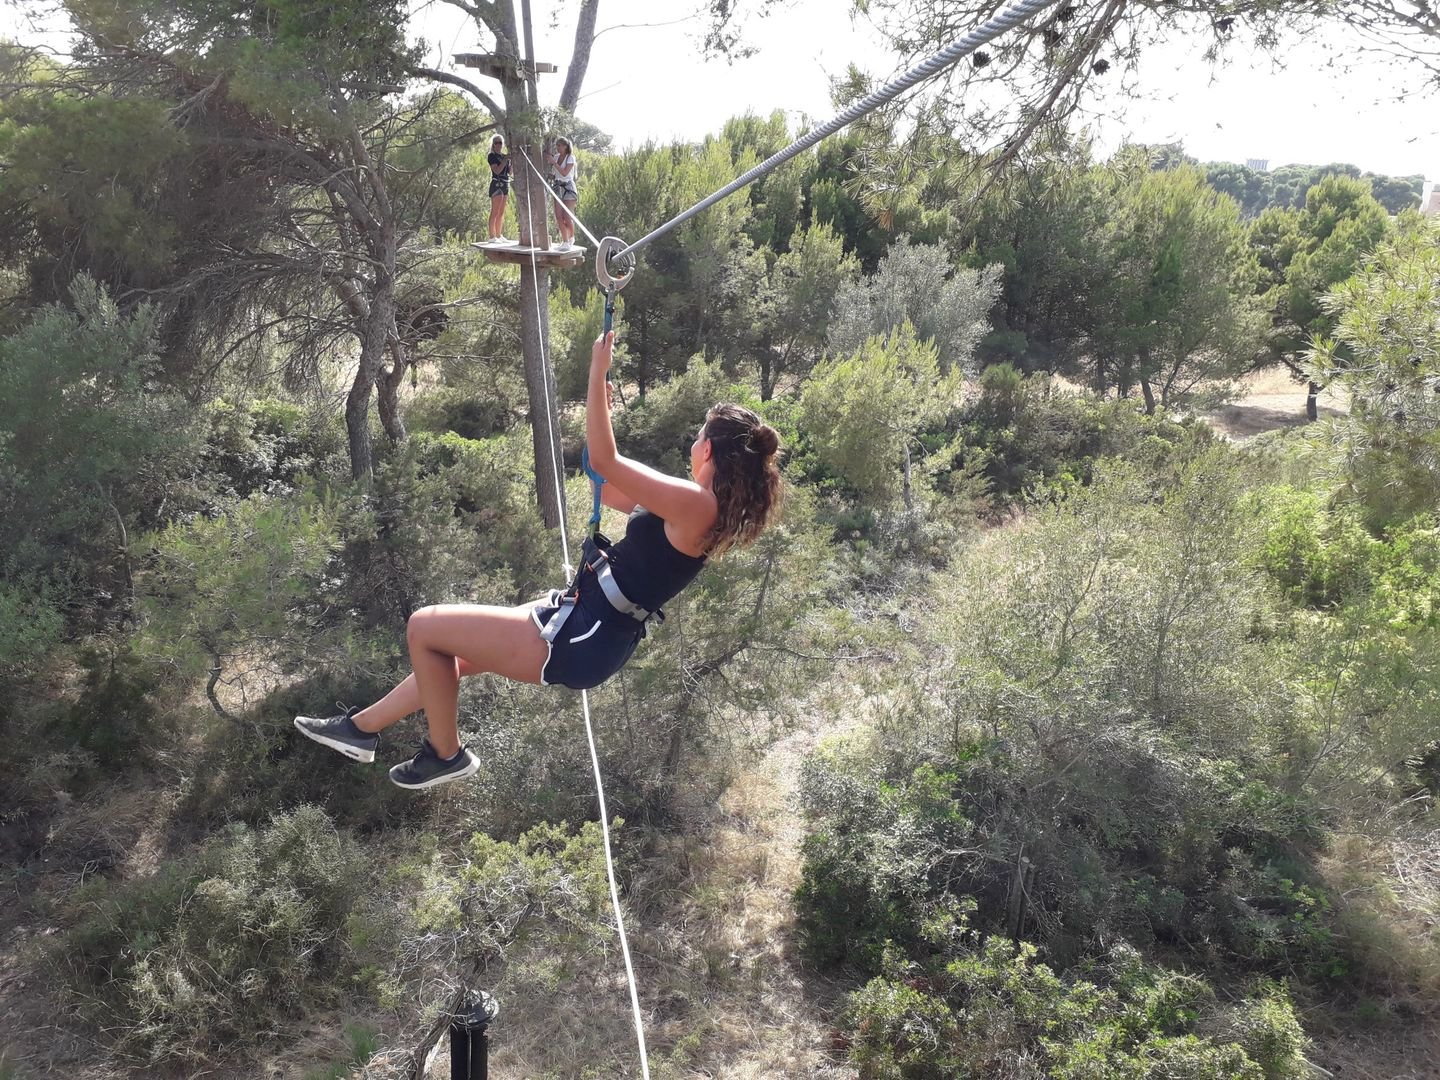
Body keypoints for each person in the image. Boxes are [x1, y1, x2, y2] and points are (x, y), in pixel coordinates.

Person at [295, 331, 783, 789]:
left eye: (699, 436)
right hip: (579, 618)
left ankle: (446, 755)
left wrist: (596, 373)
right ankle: (360, 729)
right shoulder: (694, 505)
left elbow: (608, 462)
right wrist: (599, 415)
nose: (692, 444)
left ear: (711, 449)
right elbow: (607, 482)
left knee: (425, 628)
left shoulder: (697, 505)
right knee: (456, 659)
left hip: (581, 636)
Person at [549, 136, 579, 251]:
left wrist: (554, 163)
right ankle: (565, 240)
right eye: (557, 145)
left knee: (567, 215)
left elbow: (565, 173)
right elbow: (555, 174)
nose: (558, 148)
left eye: (560, 145)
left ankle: (571, 237)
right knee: (558, 215)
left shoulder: (570, 158)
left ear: (566, 147)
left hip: (568, 187)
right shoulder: (556, 157)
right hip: (557, 186)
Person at [486, 135, 512, 244]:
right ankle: (492, 236)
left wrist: (511, 161)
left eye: (500, 142)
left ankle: (499, 234)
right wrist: (505, 160)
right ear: (493, 144)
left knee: (501, 212)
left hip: (505, 183)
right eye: (496, 142)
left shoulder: (504, 156)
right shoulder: (492, 156)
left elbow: (510, 172)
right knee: (495, 211)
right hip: (497, 183)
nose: (498, 145)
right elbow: (496, 170)